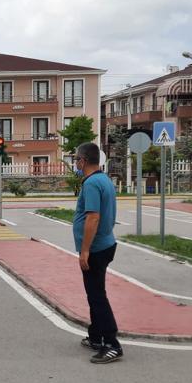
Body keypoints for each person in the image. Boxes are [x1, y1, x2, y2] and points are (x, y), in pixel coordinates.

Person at [72, 142, 122, 363]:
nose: (75, 163)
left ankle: (111, 343)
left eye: (76, 159)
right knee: (94, 293)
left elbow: (93, 217)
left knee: (97, 296)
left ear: (83, 160)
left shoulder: (92, 184)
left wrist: (85, 250)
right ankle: (96, 336)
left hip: (96, 248)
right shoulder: (104, 180)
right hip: (105, 244)